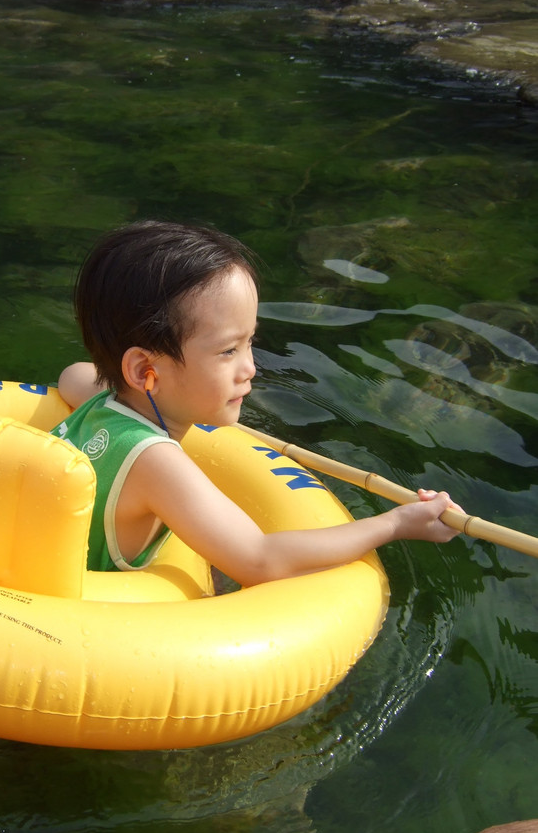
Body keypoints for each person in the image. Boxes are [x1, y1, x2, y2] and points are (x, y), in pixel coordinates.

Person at [53, 220, 462, 584]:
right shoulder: (155, 461)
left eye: (250, 341)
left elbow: (72, 374)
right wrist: (395, 524)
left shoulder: (100, 401)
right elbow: (259, 560)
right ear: (145, 371)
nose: (250, 368)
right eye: (228, 350)